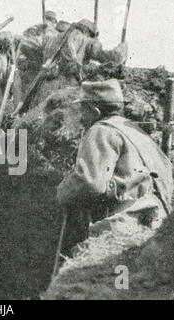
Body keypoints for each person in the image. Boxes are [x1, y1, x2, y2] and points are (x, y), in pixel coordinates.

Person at [57, 79, 173, 253]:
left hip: (126, 226)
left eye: (83, 109)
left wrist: (60, 192)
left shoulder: (101, 130)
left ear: (95, 111)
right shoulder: (136, 132)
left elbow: (89, 183)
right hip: (157, 225)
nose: (81, 116)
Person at [26, 18, 128, 110]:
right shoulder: (86, 40)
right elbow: (111, 57)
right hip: (64, 91)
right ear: (88, 32)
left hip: (43, 89)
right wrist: (123, 48)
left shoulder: (52, 39)